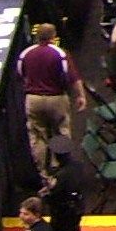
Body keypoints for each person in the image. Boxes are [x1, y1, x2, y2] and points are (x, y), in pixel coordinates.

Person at [18, 22, 83, 175]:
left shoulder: (25, 53)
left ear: (37, 36)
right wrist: (81, 95)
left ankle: (43, 174)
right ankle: (63, 169)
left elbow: (21, 75)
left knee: (38, 137)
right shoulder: (60, 53)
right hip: (56, 98)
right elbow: (72, 77)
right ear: (53, 36)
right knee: (61, 131)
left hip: (33, 100)